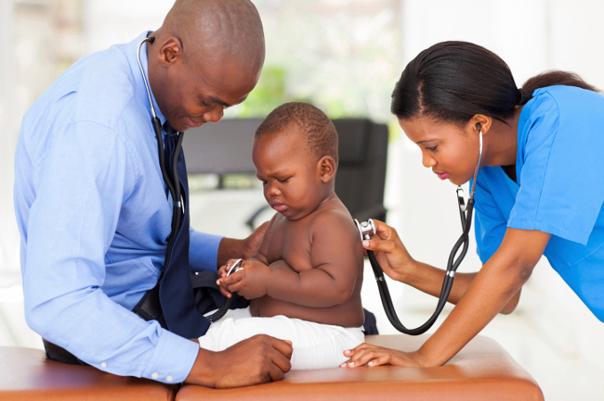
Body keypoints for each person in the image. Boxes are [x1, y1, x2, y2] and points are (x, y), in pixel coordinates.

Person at [14, 0, 293, 388]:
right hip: (118, 333)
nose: (215, 118)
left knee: (316, 315)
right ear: (170, 53)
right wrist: (211, 366)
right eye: (210, 101)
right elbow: (59, 301)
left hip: (160, 297)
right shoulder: (98, 129)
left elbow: (137, 230)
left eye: (228, 106)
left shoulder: (149, 92)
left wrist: (232, 249)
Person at [341, 40, 604, 368]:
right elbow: (505, 297)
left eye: (433, 146)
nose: (427, 161)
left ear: (480, 124)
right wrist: (408, 270)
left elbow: (513, 267)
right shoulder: (488, 178)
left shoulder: (561, 121)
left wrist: (425, 357)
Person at [204, 102, 365, 369]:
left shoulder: (332, 224)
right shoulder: (281, 220)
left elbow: (337, 287)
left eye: (283, 179)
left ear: (324, 170)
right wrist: (239, 275)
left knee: (226, 339)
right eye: (265, 181)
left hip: (330, 336)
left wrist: (267, 281)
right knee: (206, 321)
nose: (271, 191)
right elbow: (259, 262)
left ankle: (189, 360)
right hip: (283, 326)